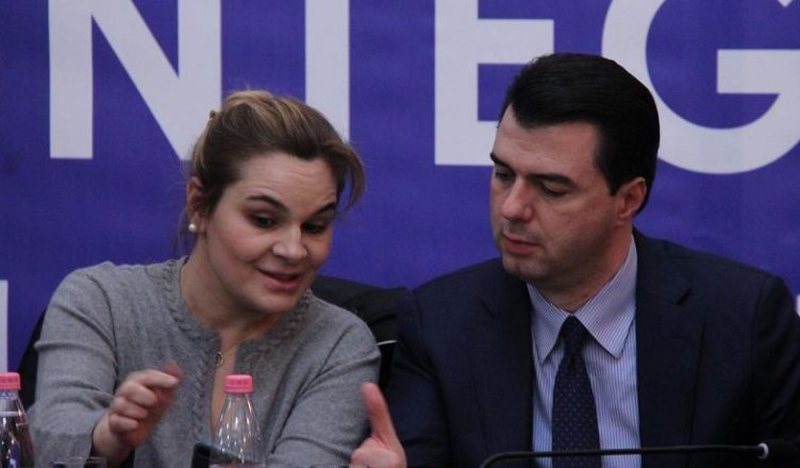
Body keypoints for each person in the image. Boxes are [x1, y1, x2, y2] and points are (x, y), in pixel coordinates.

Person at [351, 53, 800, 468]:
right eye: (503, 174)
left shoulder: (744, 319)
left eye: (551, 188)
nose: (512, 208)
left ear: (628, 199)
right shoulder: (440, 325)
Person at [29, 90, 380, 467]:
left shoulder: (339, 344)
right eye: (264, 220)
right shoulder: (101, 301)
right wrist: (107, 437)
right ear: (199, 204)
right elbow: (46, 440)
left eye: (315, 226)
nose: (293, 250)